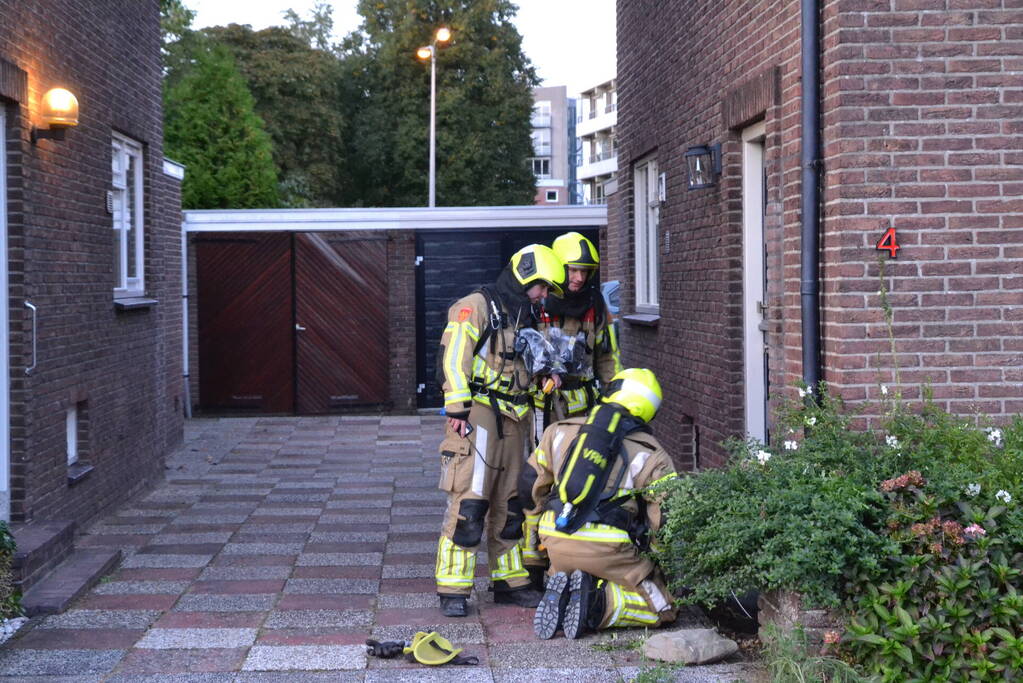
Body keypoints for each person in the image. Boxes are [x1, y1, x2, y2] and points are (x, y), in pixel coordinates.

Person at [434, 243, 566, 618]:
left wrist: (549, 372)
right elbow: (453, 355)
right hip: (477, 412)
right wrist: (457, 405)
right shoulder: (476, 306)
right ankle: (453, 588)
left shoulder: (525, 312)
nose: (544, 295)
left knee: (512, 502)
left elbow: (532, 356)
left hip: (516, 413)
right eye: (542, 286)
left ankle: (508, 581)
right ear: (526, 275)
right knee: (470, 500)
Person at [520, 368, 679, 639]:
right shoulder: (653, 453)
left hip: (556, 539)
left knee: (572, 568)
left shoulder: (558, 431)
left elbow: (528, 489)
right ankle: (596, 604)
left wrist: (535, 555)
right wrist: (658, 564)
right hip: (610, 549)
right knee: (664, 607)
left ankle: (567, 586)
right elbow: (664, 518)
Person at [522, 232, 623, 590]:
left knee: (578, 477)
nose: (579, 278)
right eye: (573, 270)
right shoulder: (537, 300)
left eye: (586, 271)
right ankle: (533, 557)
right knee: (536, 480)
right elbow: (521, 351)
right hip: (543, 407)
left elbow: (607, 354)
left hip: (584, 406)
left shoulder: (595, 303)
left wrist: (615, 394)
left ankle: (571, 550)